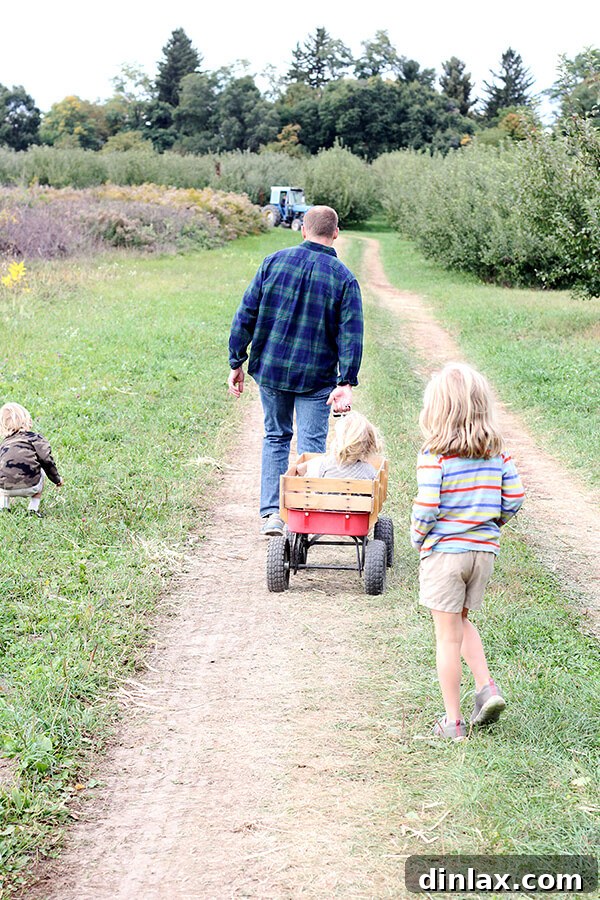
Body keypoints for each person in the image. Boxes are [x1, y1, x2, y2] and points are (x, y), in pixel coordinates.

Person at [228, 205, 364, 536]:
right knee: (311, 444)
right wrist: (346, 380)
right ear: (335, 234)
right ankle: (305, 515)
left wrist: (237, 361)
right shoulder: (343, 278)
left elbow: (246, 313)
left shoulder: (273, 263)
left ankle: (273, 513)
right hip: (316, 377)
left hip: (271, 370)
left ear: (303, 229)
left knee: (275, 436)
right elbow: (351, 333)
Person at [410, 363, 525, 740]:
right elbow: (516, 497)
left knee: (446, 636)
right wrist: (495, 523)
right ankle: (486, 687)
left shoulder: (435, 454)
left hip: (445, 553)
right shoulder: (497, 453)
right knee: (460, 620)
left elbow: (427, 508)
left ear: (438, 410)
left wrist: (418, 538)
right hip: (482, 553)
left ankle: (453, 722)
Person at [0, 402, 64, 517]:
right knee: (42, 470)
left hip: (4, 488)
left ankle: (4, 507)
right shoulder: (35, 438)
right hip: (31, 486)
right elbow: (47, 460)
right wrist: (56, 479)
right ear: (28, 420)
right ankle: (33, 509)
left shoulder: (4, 444)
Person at [299, 411, 381, 480]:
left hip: (323, 499)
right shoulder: (369, 471)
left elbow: (300, 469)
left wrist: (322, 458)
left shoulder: (324, 464)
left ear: (338, 442)